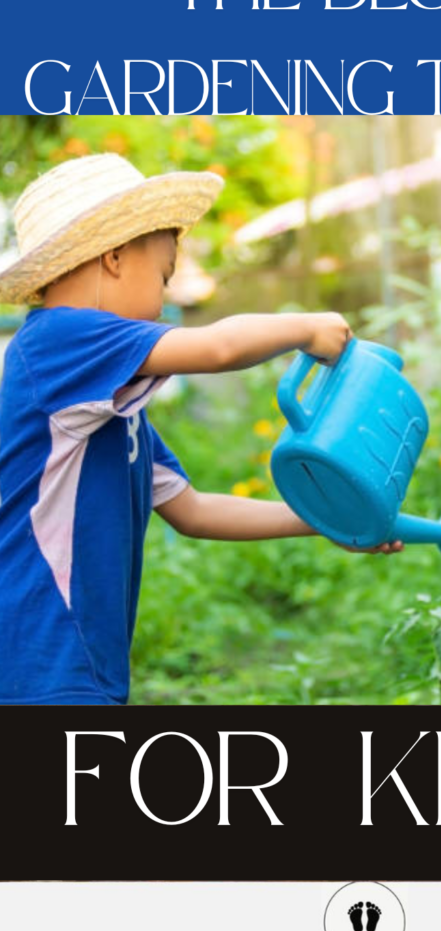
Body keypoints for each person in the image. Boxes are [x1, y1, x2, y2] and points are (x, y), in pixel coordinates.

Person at [0, 152, 402, 706]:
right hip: (39, 665)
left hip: (73, 668)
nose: (163, 298)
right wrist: (305, 328)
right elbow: (217, 348)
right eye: (162, 276)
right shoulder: (57, 340)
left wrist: (325, 520)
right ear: (114, 257)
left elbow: (193, 510)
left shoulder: (112, 414)